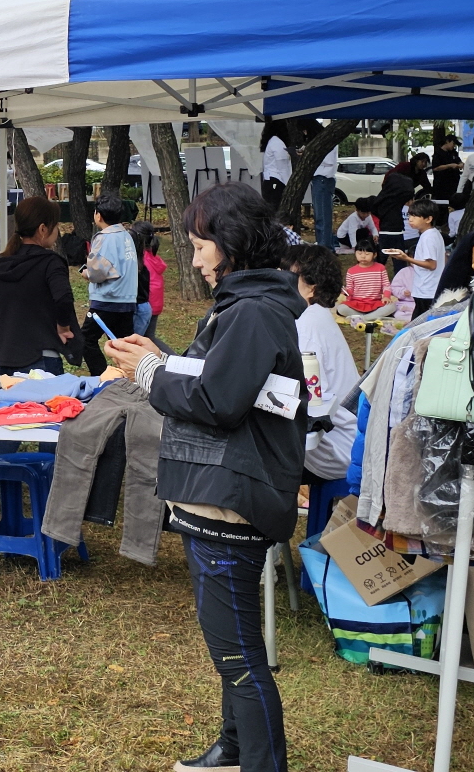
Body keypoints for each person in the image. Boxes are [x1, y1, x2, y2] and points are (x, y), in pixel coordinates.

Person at [103, 181, 303, 772]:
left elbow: (218, 402)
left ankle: (260, 762)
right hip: (218, 496)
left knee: (238, 653)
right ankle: (233, 749)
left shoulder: (253, 312)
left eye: (199, 246)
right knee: (231, 648)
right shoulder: (248, 307)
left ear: (232, 243)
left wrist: (148, 374)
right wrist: (159, 360)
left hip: (230, 503)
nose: (194, 261)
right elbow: (224, 382)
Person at [285, 244, 361, 531]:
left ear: (311, 288)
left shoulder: (307, 322)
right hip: (341, 440)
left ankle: (262, 552)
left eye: (287, 277)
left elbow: (305, 395)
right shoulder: (317, 317)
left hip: (333, 448)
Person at [0, 196, 79, 375]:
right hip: (41, 357)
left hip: (4, 356)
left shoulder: (2, 264)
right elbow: (63, 298)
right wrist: (64, 327)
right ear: (43, 229)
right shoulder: (50, 262)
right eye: (56, 226)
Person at [80, 195, 138, 374]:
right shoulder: (126, 235)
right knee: (123, 345)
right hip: (127, 299)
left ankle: (103, 375)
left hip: (107, 299)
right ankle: (128, 377)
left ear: (98, 215)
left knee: (86, 339)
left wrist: (86, 273)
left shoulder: (104, 238)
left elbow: (97, 272)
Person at [386, 200, 445, 319]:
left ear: (428, 219)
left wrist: (406, 258)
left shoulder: (429, 237)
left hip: (427, 289)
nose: (410, 219)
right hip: (428, 288)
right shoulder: (433, 234)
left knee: (420, 323)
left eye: (415, 216)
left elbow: (431, 265)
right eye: (410, 215)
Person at [335, 235, 396, 322]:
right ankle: (371, 317)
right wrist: (344, 291)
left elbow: (386, 285)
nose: (363, 256)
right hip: (356, 303)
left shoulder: (380, 268)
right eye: (359, 253)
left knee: (392, 307)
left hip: (375, 303)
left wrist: (386, 297)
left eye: (367, 254)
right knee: (341, 308)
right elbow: (350, 290)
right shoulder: (351, 271)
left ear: (374, 255)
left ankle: (363, 318)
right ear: (355, 253)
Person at [136, 220, 167, 338]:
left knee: (146, 339)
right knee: (149, 337)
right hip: (156, 305)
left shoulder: (142, 260)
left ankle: (172, 356)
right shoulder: (154, 258)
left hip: (146, 304)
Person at [309, 143, 339, 250]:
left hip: (323, 178)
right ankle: (324, 246)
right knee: (320, 217)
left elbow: (329, 160)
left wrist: (310, 154)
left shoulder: (328, 139)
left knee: (323, 218)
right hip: (320, 179)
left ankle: (325, 248)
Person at [261, 125, 292, 210]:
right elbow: (282, 167)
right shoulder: (277, 143)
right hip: (276, 180)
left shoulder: (271, 141)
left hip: (270, 180)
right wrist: (289, 184)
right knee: (276, 209)